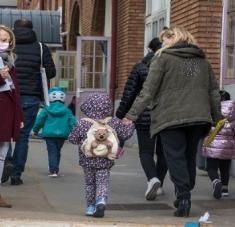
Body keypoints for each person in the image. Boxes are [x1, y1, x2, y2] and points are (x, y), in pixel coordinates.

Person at [122, 26, 223, 217]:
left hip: (170, 117)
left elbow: (148, 90)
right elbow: (213, 92)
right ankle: (185, 191)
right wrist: (217, 117)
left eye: (166, 39)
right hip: (198, 117)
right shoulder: (201, 61)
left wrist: (131, 115)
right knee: (189, 156)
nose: (163, 43)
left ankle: (183, 196)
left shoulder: (162, 58)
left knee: (175, 156)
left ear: (174, 38)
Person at [116, 37, 167, 200]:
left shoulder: (140, 67)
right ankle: (159, 184)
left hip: (144, 114)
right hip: (167, 115)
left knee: (146, 151)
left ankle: (152, 179)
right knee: (164, 152)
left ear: (149, 49)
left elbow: (129, 93)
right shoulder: (171, 66)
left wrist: (120, 114)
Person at [69, 93, 134, 218]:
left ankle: (90, 207)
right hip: (106, 160)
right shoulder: (113, 122)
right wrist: (130, 124)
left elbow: (72, 139)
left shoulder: (83, 123)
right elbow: (126, 134)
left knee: (89, 183)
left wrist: (81, 142)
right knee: (102, 182)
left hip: (87, 160)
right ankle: (101, 200)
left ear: (88, 108)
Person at [9, 19, 56, 185]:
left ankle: (4, 166)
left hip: (7, 95)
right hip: (30, 97)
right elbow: (51, 72)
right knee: (22, 136)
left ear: (14, 29)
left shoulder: (7, 45)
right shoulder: (41, 47)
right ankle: (16, 174)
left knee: (5, 134)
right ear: (32, 29)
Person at [0, 25, 24, 207]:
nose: (2, 43)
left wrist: (19, 116)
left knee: (2, 154)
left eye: (5, 40)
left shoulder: (10, 61)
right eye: (0, 39)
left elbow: (15, 92)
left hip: (7, 111)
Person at [32, 87, 77, 177]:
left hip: (49, 134)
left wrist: (35, 130)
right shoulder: (67, 111)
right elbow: (73, 122)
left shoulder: (46, 110)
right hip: (63, 134)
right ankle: (55, 168)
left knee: (52, 151)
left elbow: (39, 121)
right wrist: (75, 132)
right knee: (57, 151)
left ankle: (53, 170)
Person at [203, 90, 234, 199]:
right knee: (225, 167)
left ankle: (216, 182)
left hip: (212, 143)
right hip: (227, 144)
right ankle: (225, 189)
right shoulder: (233, 111)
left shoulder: (211, 109)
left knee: (211, 167)